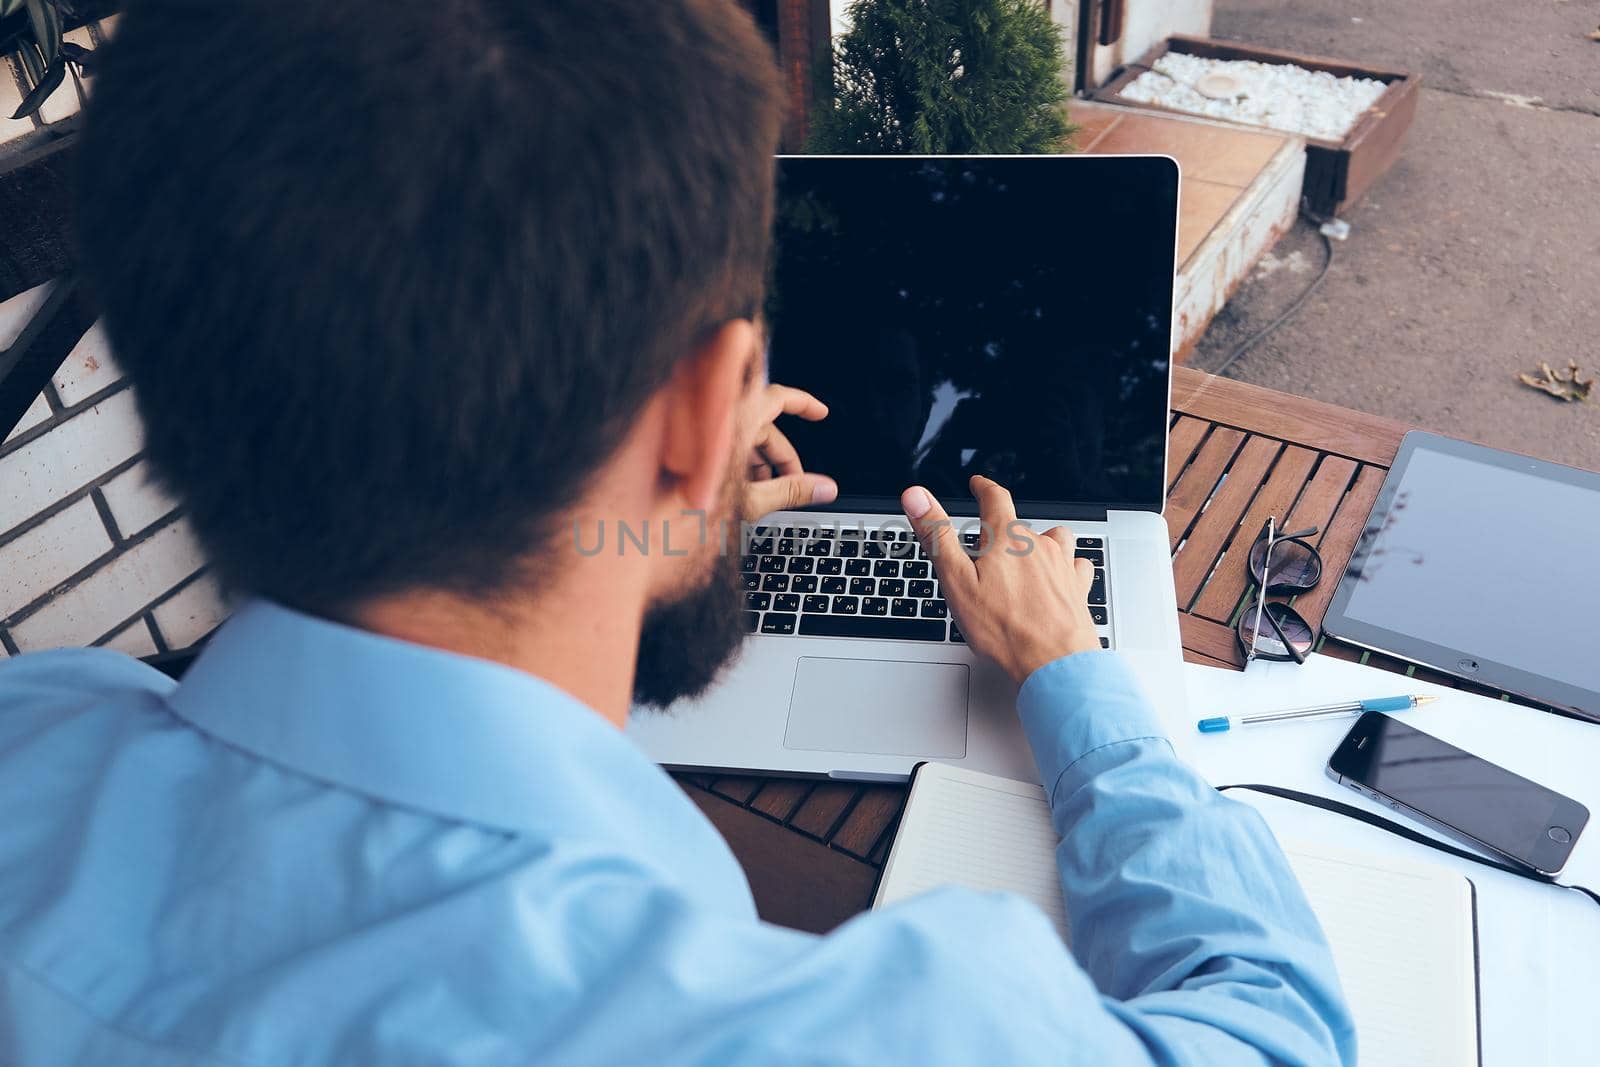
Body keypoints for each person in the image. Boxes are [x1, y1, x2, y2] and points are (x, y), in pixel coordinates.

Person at [0, 3, 1354, 1064]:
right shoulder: (865, 1028)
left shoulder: (37, 727)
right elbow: (1277, 1032)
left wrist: (640, 531)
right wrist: (1075, 681)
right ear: (715, 408)